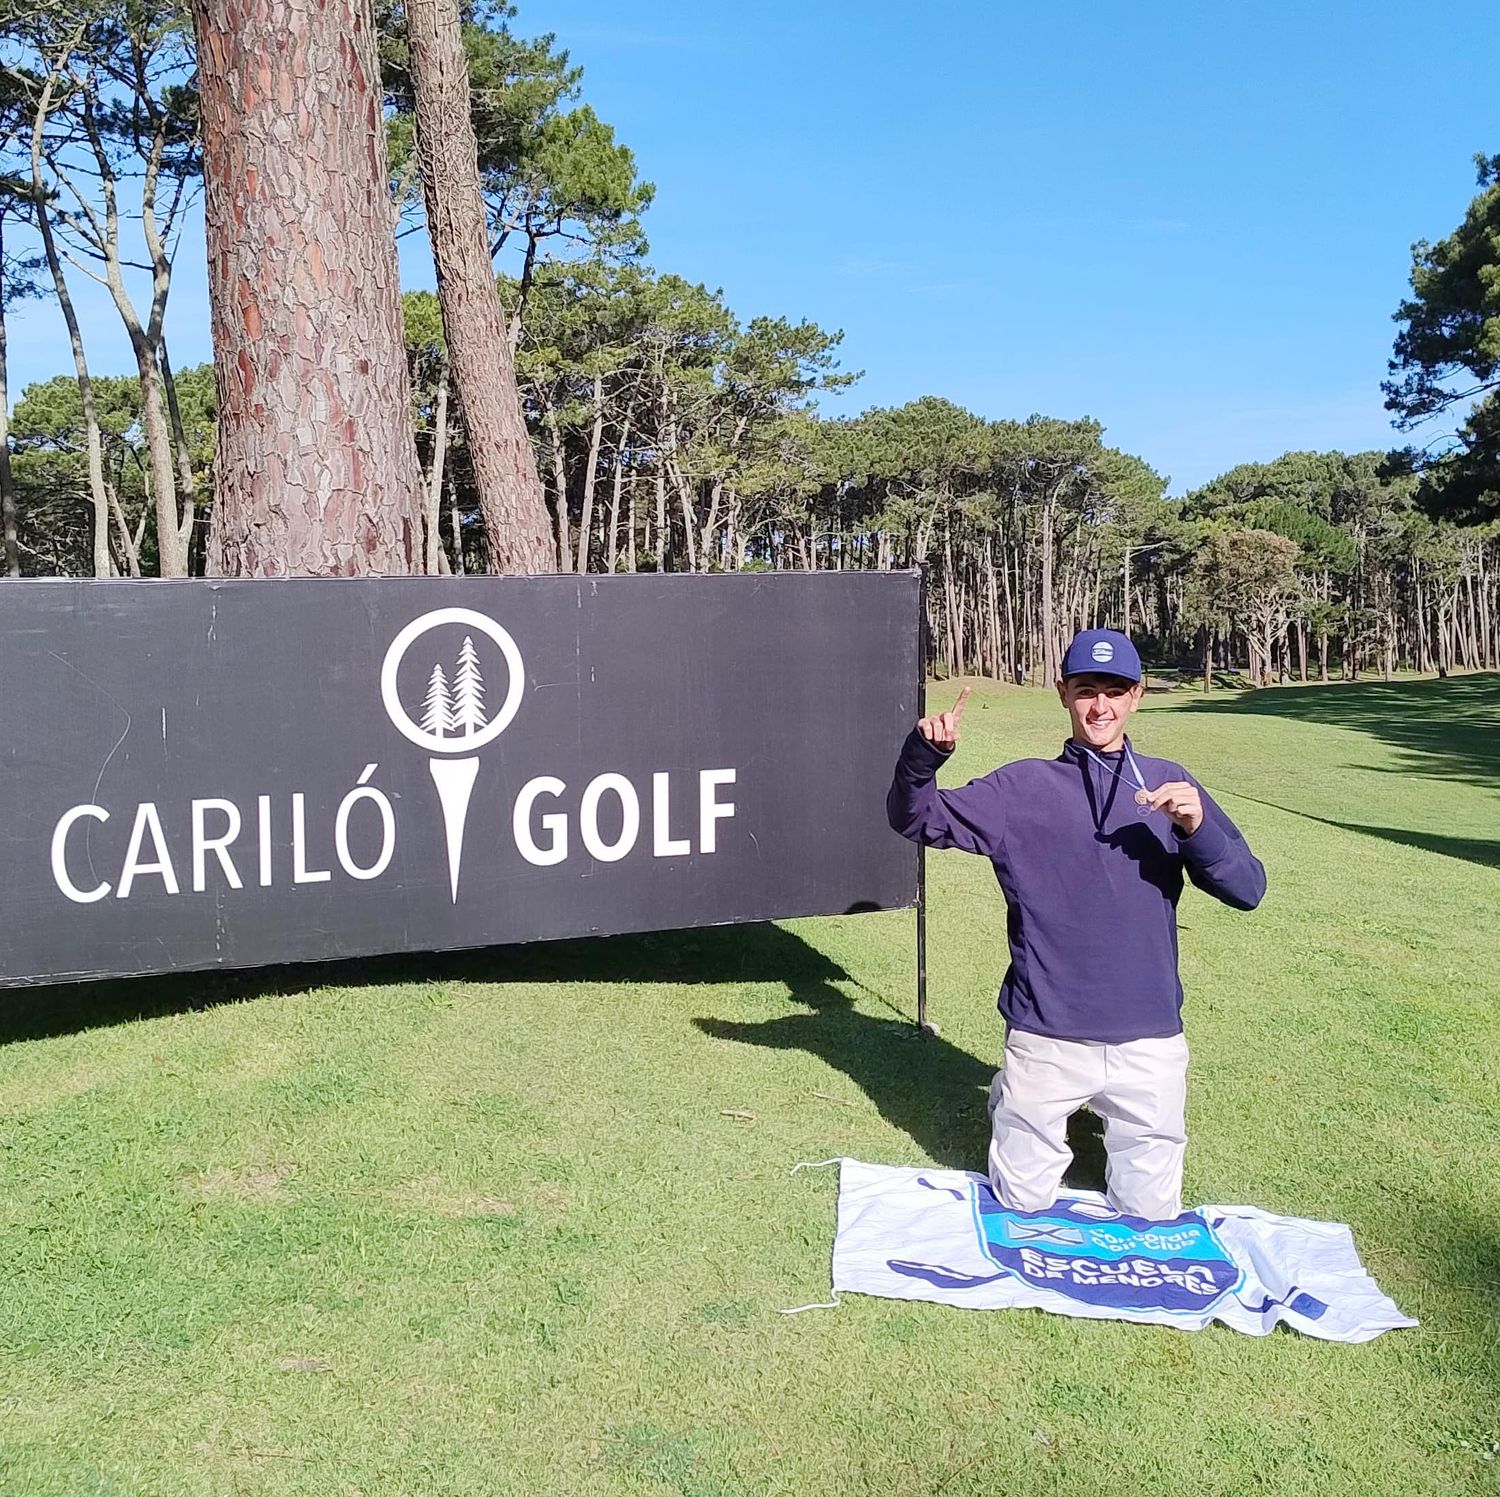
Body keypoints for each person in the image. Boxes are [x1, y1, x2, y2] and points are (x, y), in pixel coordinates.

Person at [886, 628, 1266, 1221]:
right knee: (1021, 1209)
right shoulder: (1023, 788)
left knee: (1151, 1217)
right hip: (1047, 1033)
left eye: (1116, 691)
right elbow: (915, 818)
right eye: (1087, 690)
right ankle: (1012, 1099)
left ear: (1137, 697)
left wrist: (1197, 829)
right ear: (1062, 692)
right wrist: (922, 757)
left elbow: (1248, 889)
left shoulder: (1170, 785)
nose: (1101, 707)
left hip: (1149, 1037)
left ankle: (1042, 1112)